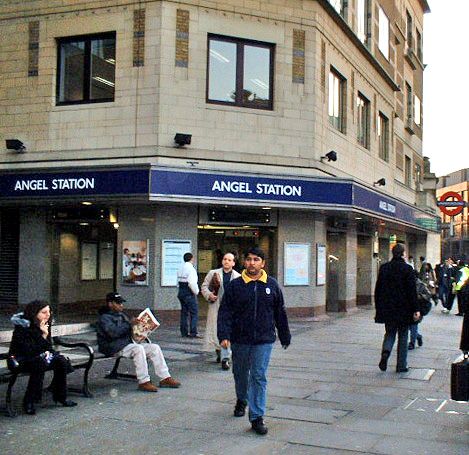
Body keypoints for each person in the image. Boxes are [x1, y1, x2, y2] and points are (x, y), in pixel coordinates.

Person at [218, 247, 291, 436]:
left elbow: (279, 312)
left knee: (258, 375)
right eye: (249, 259)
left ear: (263, 263)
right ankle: (242, 399)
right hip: (240, 338)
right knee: (240, 373)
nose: (252, 263)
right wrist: (224, 335)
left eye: (256, 259)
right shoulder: (235, 286)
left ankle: (257, 416)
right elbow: (225, 312)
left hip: (264, 340)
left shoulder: (272, 285)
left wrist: (284, 335)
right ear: (244, 262)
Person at [96, 292, 180, 392]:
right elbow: (113, 333)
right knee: (138, 349)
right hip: (112, 347)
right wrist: (129, 324)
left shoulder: (121, 315)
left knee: (154, 347)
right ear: (110, 304)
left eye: (121, 303)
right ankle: (144, 381)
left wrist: (140, 331)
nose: (121, 305)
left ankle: (165, 377)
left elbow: (127, 331)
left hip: (125, 344)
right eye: (118, 303)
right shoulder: (104, 318)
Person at [8, 300, 77, 415]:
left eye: (49, 311)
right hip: (19, 359)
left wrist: (51, 353)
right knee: (39, 363)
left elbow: (48, 347)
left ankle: (61, 397)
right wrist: (43, 335)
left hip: (38, 358)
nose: (48, 315)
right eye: (44, 312)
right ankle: (29, 401)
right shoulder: (22, 327)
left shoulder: (44, 324)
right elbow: (28, 351)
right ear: (34, 313)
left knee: (60, 361)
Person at [375, 243, 420, 373]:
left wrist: (379, 308)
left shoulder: (384, 268)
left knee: (389, 333)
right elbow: (412, 292)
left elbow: (378, 290)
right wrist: (416, 309)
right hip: (404, 310)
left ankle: (386, 352)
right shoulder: (407, 269)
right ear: (403, 254)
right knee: (403, 336)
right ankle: (401, 365)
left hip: (388, 309)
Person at [201, 252, 240, 370]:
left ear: (233, 263)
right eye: (225, 259)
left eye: (229, 260)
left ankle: (225, 358)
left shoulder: (238, 277)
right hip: (216, 306)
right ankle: (219, 352)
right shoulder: (213, 273)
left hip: (231, 309)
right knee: (216, 330)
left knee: (227, 330)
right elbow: (204, 286)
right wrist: (209, 295)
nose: (226, 261)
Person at [177, 252, 200, 337]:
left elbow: (178, 281)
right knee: (194, 312)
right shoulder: (191, 269)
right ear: (191, 259)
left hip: (181, 291)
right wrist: (196, 292)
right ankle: (193, 332)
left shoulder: (180, 268)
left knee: (184, 313)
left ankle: (184, 332)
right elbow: (192, 283)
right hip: (188, 292)